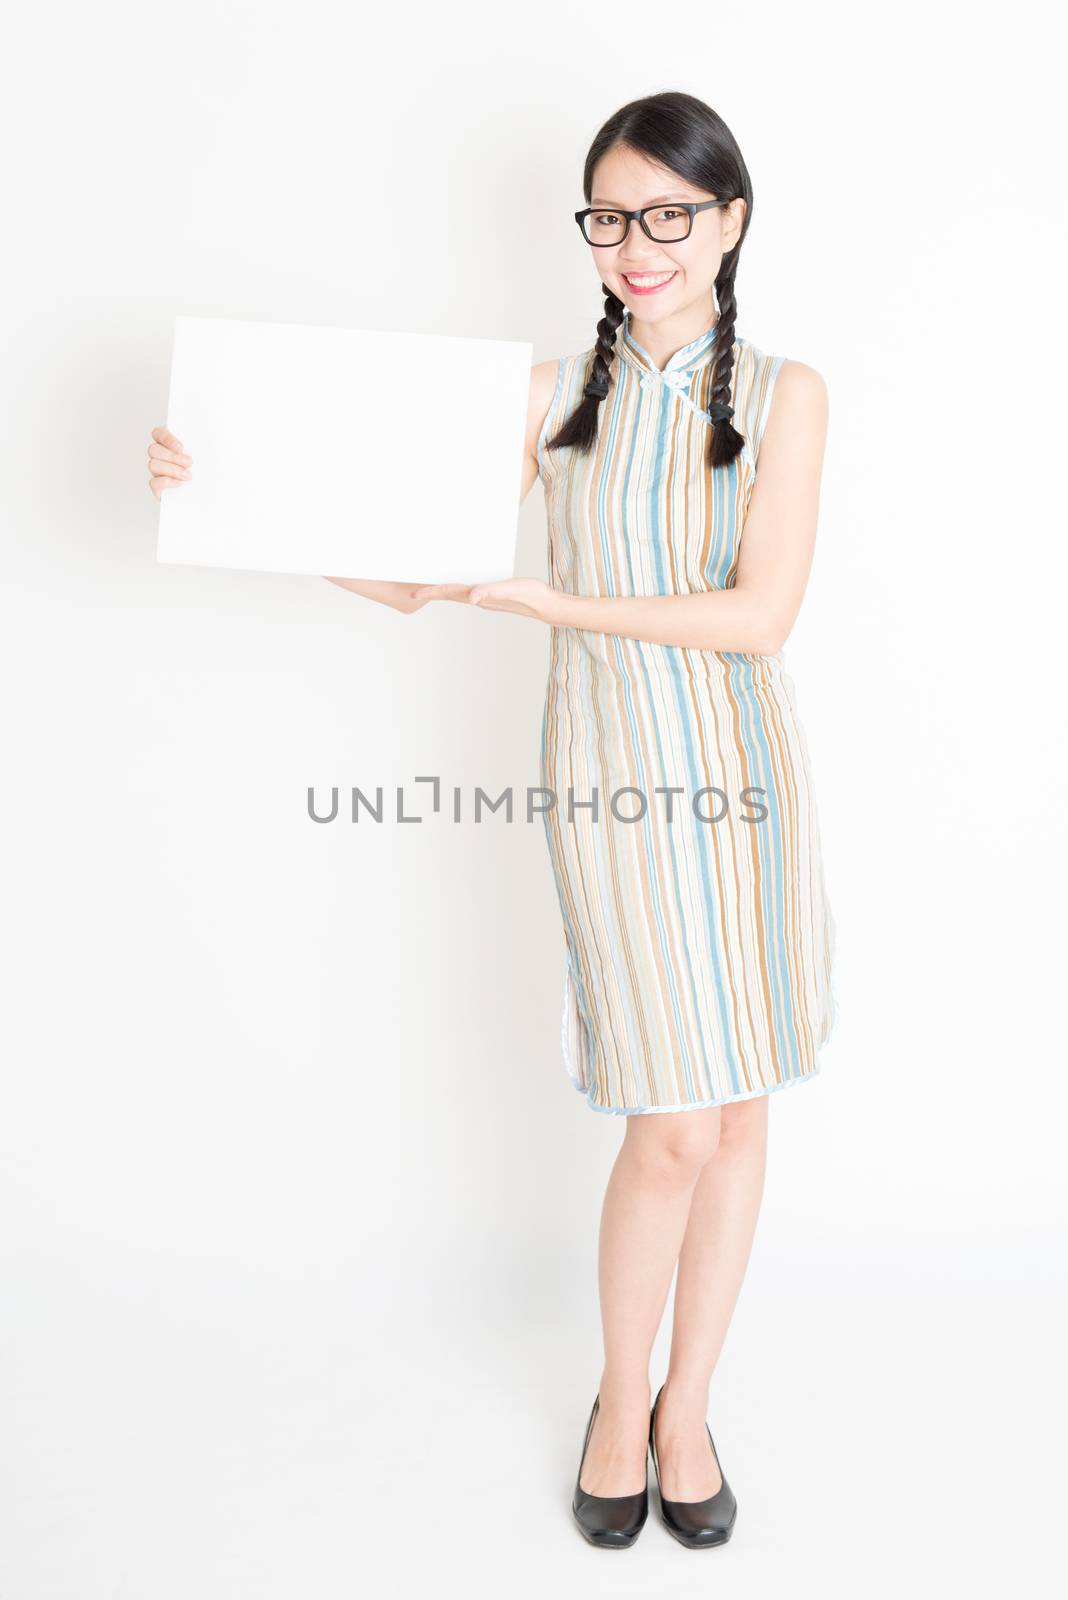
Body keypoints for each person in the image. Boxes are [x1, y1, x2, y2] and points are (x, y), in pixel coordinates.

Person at [147, 88, 837, 1553]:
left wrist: (550, 599)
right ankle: (615, 1399)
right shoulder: (546, 396)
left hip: (746, 776)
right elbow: (413, 573)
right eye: (610, 216)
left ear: (730, 220)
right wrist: (226, 495)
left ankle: (689, 1405)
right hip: (613, 781)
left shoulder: (788, 394)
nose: (636, 245)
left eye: (669, 214)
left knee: (738, 1113)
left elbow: (760, 616)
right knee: (670, 1126)